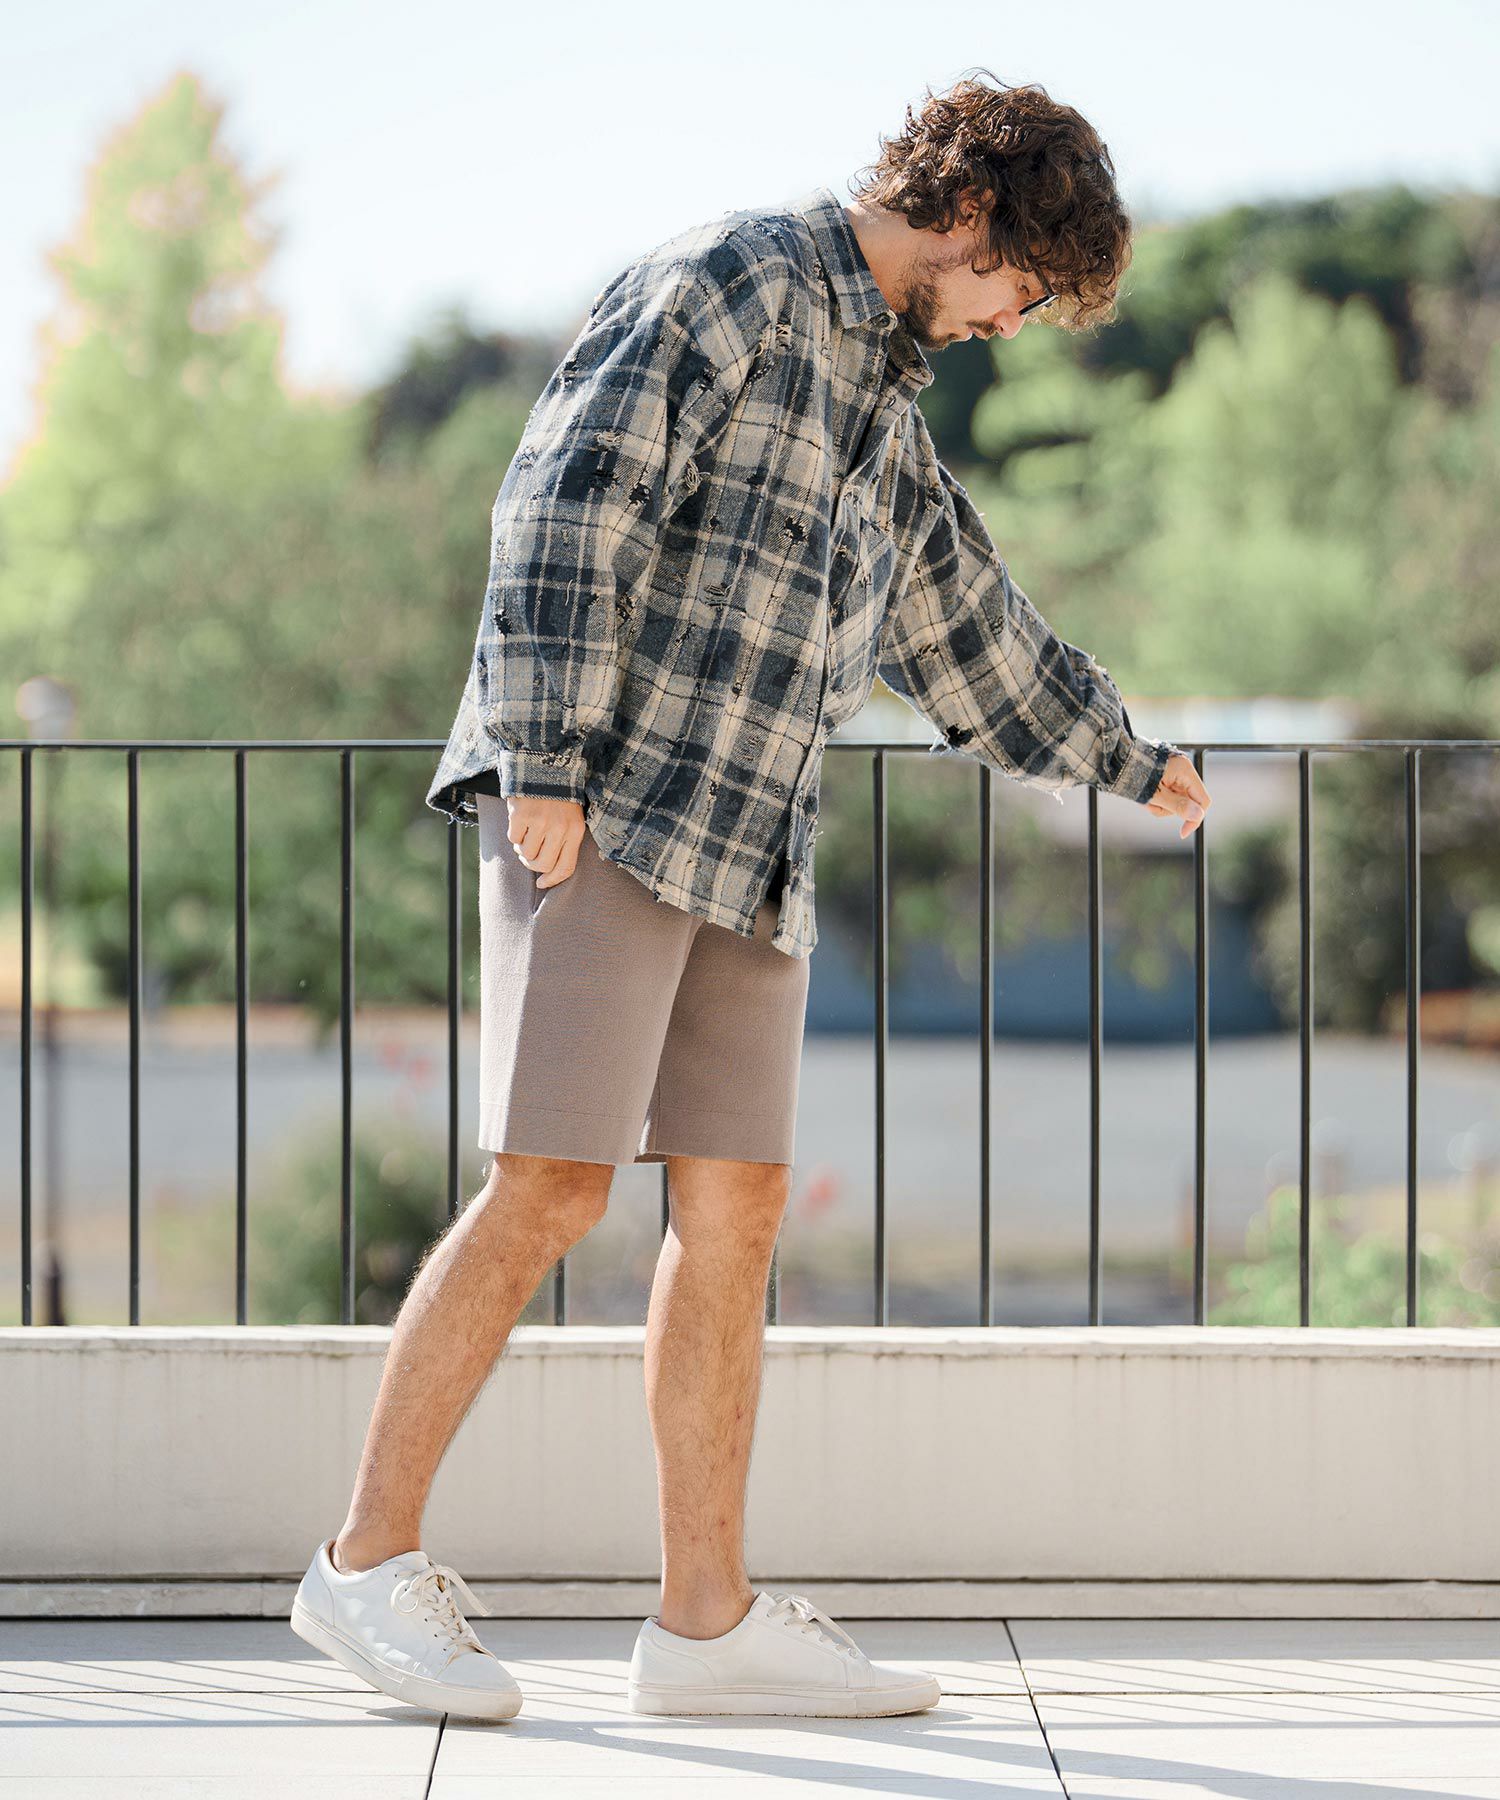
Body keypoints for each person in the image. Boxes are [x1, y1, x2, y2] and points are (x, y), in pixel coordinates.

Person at [290, 70, 1212, 1725]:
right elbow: (563, 499)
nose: (1011, 323)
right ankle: (362, 1564)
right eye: (1019, 286)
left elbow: (965, 627)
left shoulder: (885, 408)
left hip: (751, 843)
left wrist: (1129, 761)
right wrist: (546, 756)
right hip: (607, 807)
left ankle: (703, 1629)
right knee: (550, 1189)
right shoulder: (733, 280)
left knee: (738, 1210)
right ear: (970, 213)